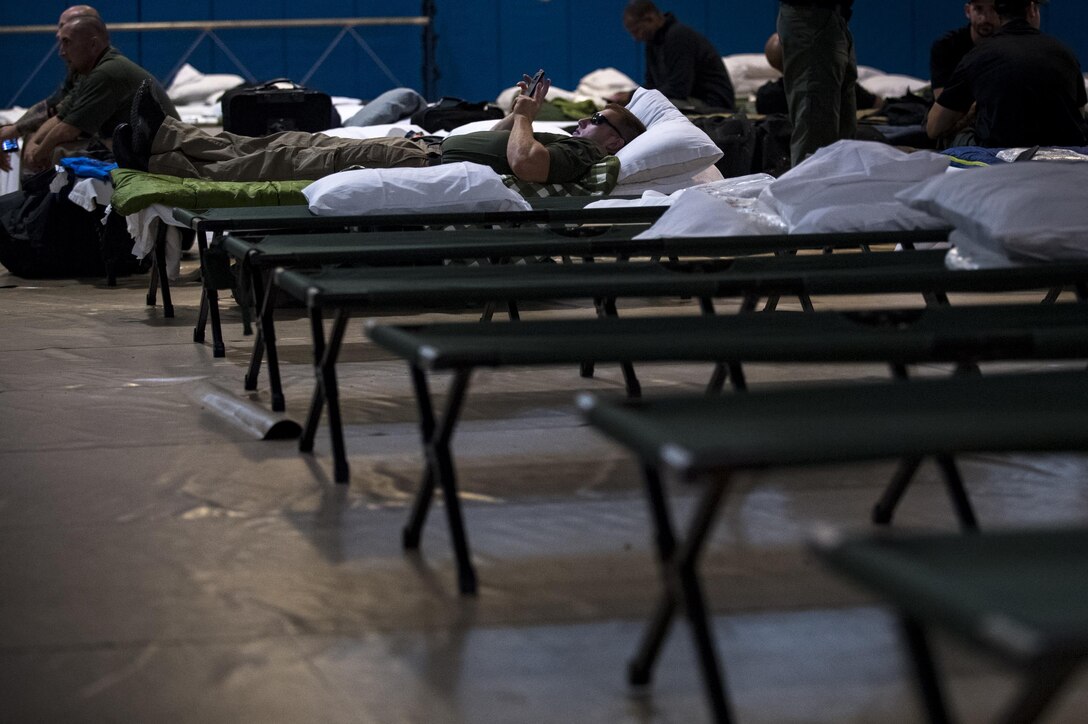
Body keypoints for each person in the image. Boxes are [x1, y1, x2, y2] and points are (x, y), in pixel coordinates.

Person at [115, 73, 646, 184]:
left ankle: (157, 158)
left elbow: (528, 165)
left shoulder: (587, 159)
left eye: (597, 120)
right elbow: (510, 137)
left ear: (616, 142)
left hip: (428, 163)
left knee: (293, 161)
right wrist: (520, 111)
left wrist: (527, 122)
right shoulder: (566, 137)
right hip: (423, 147)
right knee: (292, 141)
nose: (585, 119)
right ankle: (165, 136)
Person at [21, 15, 177, 173]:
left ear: (93, 44)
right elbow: (60, 118)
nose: (61, 52)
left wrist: (37, 154)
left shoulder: (107, 73)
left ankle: (38, 196)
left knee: (59, 151)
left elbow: (67, 130)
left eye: (67, 42)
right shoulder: (91, 71)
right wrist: (35, 142)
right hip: (143, 149)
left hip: (159, 157)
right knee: (41, 141)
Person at [925, 0, 1088, 148]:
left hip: (1001, 156)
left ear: (998, 14)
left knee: (952, 136)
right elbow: (1079, 113)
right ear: (1032, 9)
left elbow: (933, 128)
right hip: (1066, 155)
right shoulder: (1065, 52)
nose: (984, 18)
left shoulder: (978, 56)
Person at [0, 5, 100, 174]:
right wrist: (12, 131)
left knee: (45, 148)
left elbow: (67, 123)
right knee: (24, 139)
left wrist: (34, 142)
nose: (58, 33)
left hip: (107, 144)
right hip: (87, 137)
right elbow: (54, 105)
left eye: (65, 27)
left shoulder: (101, 71)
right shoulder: (79, 69)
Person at [776, 0, 858, 167]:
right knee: (815, 141)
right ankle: (804, 192)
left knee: (843, 142)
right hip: (813, 17)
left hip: (834, 19)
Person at [619, 1, 734, 112]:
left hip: (712, 102)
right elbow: (652, 84)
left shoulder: (678, 36)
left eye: (637, 31)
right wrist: (632, 96)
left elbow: (679, 89)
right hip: (688, 99)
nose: (636, 38)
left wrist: (633, 97)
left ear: (650, 19)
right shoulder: (652, 43)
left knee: (647, 109)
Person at [930, 0, 1000, 99]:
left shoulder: (1012, 47)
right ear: (968, 11)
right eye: (978, 9)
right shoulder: (946, 46)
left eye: (994, 9)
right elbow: (941, 100)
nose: (985, 18)